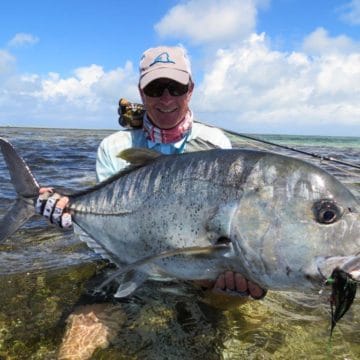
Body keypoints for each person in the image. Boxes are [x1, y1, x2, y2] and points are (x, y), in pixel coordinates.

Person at [38, 46, 266, 357]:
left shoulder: (216, 144)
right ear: (142, 93)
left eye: (177, 88)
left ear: (191, 89)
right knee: (80, 335)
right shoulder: (115, 146)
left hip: (199, 269)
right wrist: (67, 208)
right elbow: (110, 214)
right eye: (156, 88)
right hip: (130, 260)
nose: (167, 99)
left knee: (221, 310)